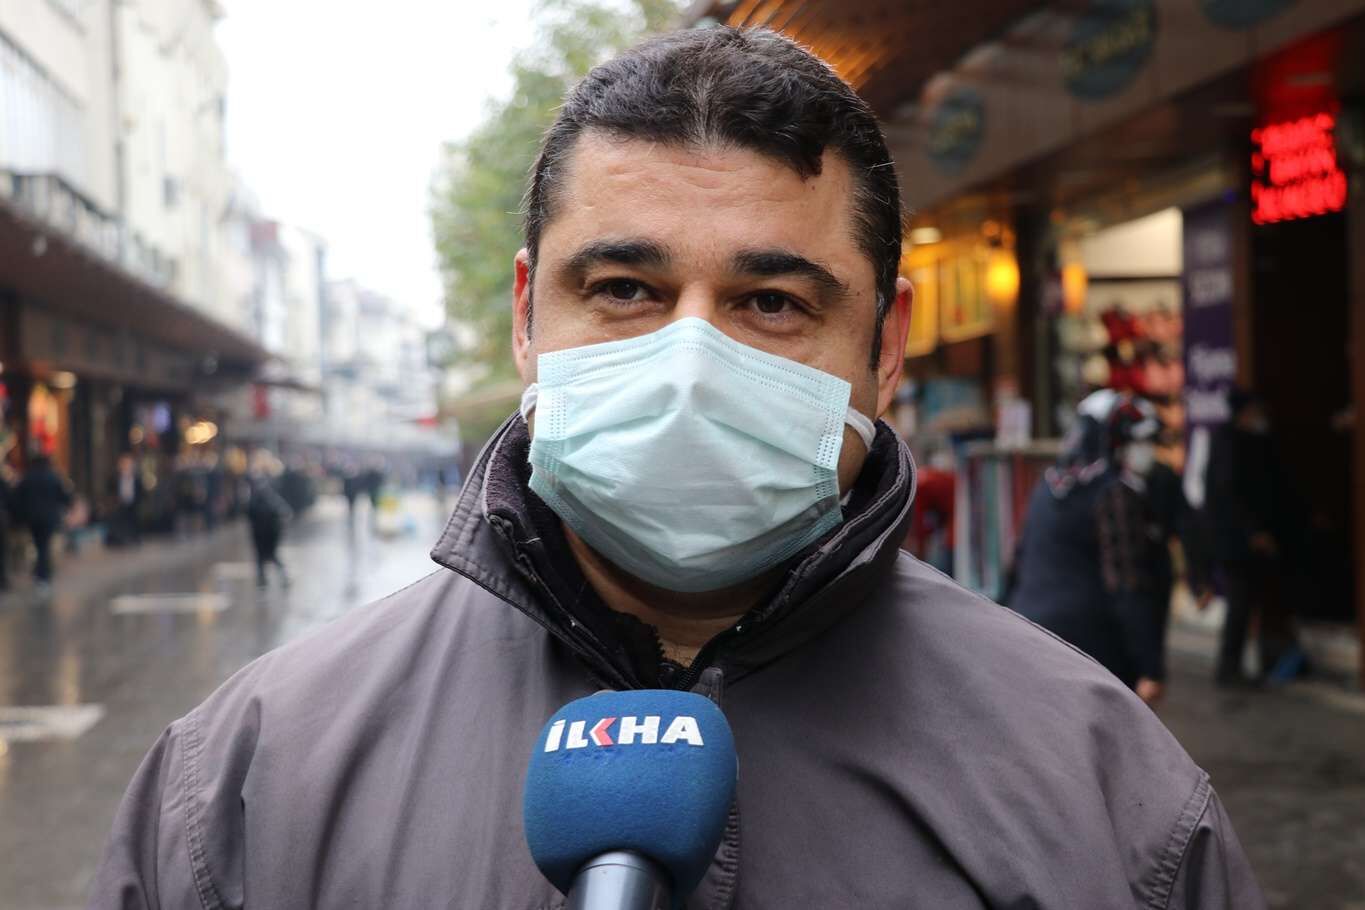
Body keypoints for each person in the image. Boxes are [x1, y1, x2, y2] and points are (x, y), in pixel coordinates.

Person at [89, 28, 1262, 908]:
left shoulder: (1111, 803)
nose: (690, 366)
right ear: (526, 314)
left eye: (771, 301)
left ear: (887, 342)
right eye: (624, 289)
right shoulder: (246, 784)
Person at [1008, 395, 1170, 700]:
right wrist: (1151, 666)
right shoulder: (1113, 493)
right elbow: (1126, 583)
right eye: (1136, 441)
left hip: (1029, 634)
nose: (1146, 451)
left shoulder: (1047, 485)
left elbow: (1016, 564)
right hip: (1090, 649)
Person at [1205, 388, 1297, 686]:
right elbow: (1231, 495)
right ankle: (1229, 668)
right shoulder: (1230, 445)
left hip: (1243, 541)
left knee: (1249, 603)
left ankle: (1249, 663)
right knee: (1240, 605)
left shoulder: (1248, 442)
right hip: (1236, 543)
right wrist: (1253, 532)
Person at [14, 452, 72, 592]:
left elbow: (17, 497)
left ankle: (39, 573)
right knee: (44, 546)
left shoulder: (27, 477)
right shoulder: (53, 477)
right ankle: (43, 576)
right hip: (49, 518)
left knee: (39, 545)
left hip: (32, 518)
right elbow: (65, 497)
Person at [245, 467, 292, 589]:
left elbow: (249, 513)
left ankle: (264, 580)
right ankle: (266, 579)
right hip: (267, 533)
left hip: (263, 533)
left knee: (264, 557)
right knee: (269, 556)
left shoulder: (257, 498)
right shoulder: (270, 496)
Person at [106, 452, 143, 547]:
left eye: (129, 464)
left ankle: (134, 537)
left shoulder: (137, 479)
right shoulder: (115, 479)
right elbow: (110, 493)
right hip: (119, 506)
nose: (126, 466)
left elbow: (141, 494)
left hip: (133, 506)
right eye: (124, 464)